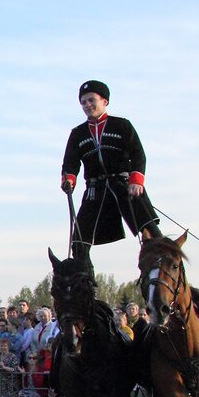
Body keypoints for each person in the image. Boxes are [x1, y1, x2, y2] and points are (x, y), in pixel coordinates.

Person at [61, 80, 162, 262]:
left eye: (91, 100)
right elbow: (70, 161)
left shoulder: (122, 126)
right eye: (83, 102)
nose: (87, 105)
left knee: (152, 233)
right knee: (78, 241)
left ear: (104, 101)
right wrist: (69, 178)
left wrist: (136, 180)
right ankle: (85, 285)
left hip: (124, 185)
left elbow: (138, 154)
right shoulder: (78, 133)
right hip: (95, 189)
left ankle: (165, 273)